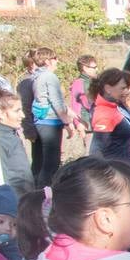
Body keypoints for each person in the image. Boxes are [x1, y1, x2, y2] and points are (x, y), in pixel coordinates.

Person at [31, 48, 77, 189]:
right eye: (55, 58)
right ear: (47, 61)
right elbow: (56, 102)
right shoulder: (50, 77)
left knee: (39, 161)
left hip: (40, 121)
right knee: (51, 163)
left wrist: (71, 112)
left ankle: (35, 192)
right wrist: (67, 122)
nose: (57, 61)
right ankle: (45, 196)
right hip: (50, 123)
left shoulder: (36, 75)